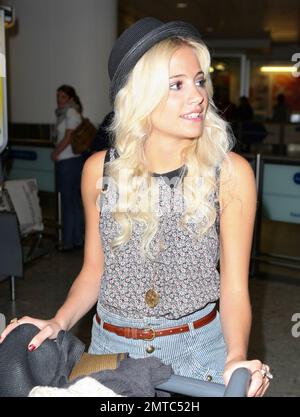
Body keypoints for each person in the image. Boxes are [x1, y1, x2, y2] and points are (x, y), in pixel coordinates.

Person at [0, 17, 272, 397]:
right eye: (176, 85)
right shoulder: (100, 170)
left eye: (198, 80)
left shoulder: (229, 174)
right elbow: (94, 271)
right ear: (140, 96)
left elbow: (234, 289)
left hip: (198, 352)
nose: (197, 96)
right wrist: (58, 320)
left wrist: (236, 357)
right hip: (111, 352)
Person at [52, 85, 85, 251]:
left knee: (68, 202)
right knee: (73, 202)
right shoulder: (67, 112)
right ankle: (76, 240)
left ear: (71, 98)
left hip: (68, 162)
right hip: (72, 161)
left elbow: (68, 136)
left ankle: (68, 242)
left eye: (63, 97)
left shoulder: (71, 112)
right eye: (58, 96)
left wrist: (55, 153)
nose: (59, 100)